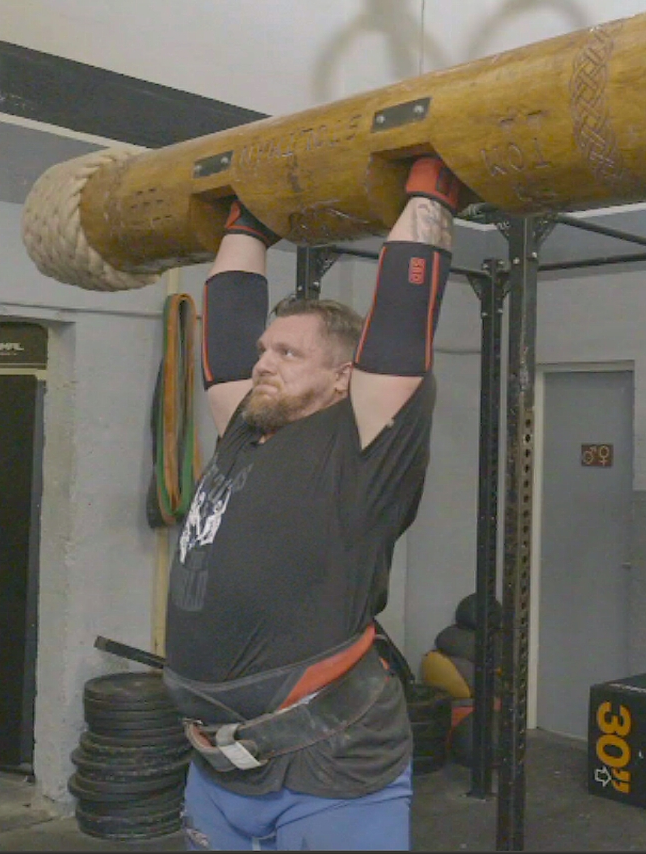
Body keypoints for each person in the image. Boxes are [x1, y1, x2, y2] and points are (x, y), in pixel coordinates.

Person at [163, 156, 463, 851]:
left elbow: (402, 322)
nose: (263, 362)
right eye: (266, 349)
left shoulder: (363, 446)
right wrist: (249, 220)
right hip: (216, 767)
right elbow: (227, 326)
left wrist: (431, 185)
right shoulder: (246, 431)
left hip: (330, 764)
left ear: (343, 378)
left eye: (289, 355)